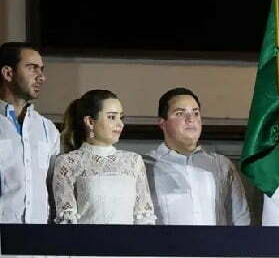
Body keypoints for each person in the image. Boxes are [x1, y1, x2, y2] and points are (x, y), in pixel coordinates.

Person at [144, 88, 250, 225]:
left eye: (195, 113)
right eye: (180, 113)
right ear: (162, 123)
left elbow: (240, 220)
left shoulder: (221, 165)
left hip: (216, 246)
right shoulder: (145, 166)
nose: (190, 119)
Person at [52, 90, 155, 224]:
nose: (120, 124)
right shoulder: (68, 162)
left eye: (121, 117)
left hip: (129, 243)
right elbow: (67, 222)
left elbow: (145, 220)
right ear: (90, 121)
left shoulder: (133, 161)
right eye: (112, 117)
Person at [0, 42, 60, 223]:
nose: (41, 77)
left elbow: (54, 189)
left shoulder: (47, 129)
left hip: (38, 243)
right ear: (8, 73)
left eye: (41, 69)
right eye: (32, 68)